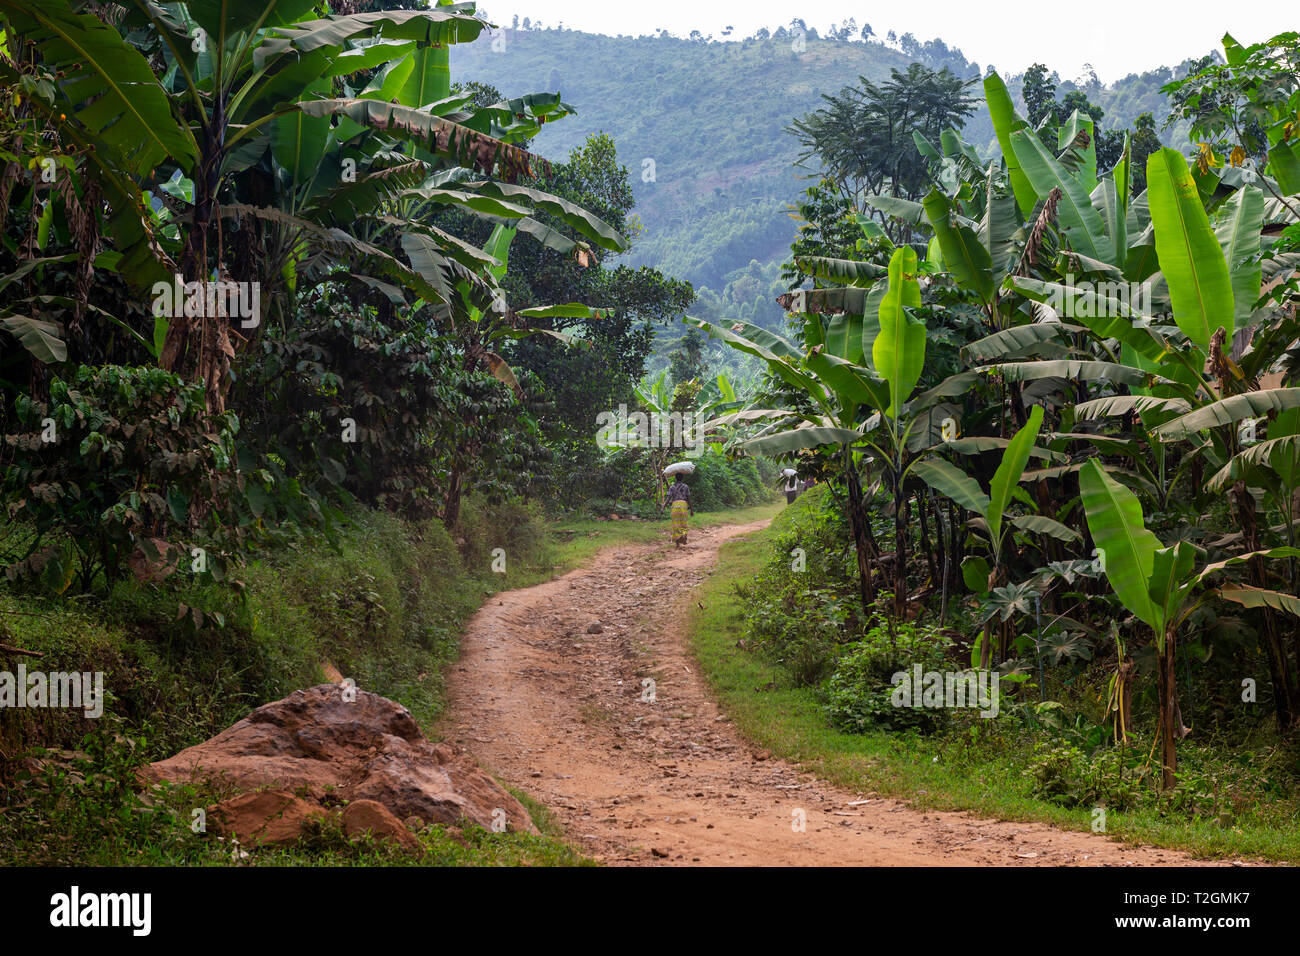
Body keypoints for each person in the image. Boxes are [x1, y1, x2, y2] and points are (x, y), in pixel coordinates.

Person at [664, 476, 693, 547]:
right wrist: (691, 509)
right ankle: (683, 536)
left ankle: (677, 543)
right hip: (683, 505)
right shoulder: (685, 487)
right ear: (682, 478)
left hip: (675, 505)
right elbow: (688, 498)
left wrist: (663, 507)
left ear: (675, 478)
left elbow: (668, 498)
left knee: (675, 524)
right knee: (683, 523)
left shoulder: (672, 487)